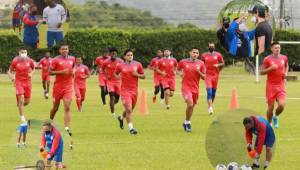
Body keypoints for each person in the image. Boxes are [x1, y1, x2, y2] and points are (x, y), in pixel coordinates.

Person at [115, 49, 145, 135]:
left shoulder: (138, 64)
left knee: (129, 110)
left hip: (134, 91)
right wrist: (118, 78)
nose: (130, 56)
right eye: (128, 55)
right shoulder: (120, 65)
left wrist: (137, 75)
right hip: (125, 91)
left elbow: (143, 76)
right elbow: (115, 74)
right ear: (124, 57)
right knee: (128, 109)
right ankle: (131, 129)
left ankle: (121, 117)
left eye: (131, 55)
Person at [260, 42, 288, 128]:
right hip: (271, 86)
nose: (277, 49)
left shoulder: (284, 58)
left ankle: (275, 116)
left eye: (279, 48)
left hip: (281, 85)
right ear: (272, 49)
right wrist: (271, 68)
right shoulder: (267, 59)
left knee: (282, 105)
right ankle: (269, 124)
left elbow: (286, 66)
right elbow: (261, 72)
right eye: (276, 48)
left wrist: (286, 74)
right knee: (270, 106)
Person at [49, 43, 75, 136]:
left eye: (66, 49)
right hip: (57, 87)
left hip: (68, 87)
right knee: (55, 108)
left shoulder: (72, 59)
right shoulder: (55, 60)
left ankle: (66, 128)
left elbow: (72, 68)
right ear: (60, 50)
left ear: (68, 50)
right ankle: (51, 121)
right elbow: (50, 72)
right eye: (63, 49)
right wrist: (62, 72)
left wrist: (73, 73)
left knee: (67, 107)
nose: (65, 50)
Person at [177, 48, 205, 132]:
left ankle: (186, 121)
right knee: (190, 103)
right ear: (190, 53)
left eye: (197, 53)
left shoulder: (201, 63)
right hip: (186, 87)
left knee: (192, 107)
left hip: (195, 88)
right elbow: (176, 70)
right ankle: (188, 123)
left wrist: (198, 71)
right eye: (194, 52)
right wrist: (180, 74)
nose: (195, 54)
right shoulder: (183, 62)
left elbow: (204, 77)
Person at [7, 47, 35, 123]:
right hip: (19, 82)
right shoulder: (15, 61)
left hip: (28, 83)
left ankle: (19, 104)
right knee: (22, 100)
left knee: (27, 102)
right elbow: (9, 71)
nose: (24, 54)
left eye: (25, 52)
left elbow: (34, 68)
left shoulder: (30, 60)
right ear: (19, 53)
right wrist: (13, 79)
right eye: (22, 52)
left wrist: (31, 73)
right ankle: (22, 117)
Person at [201, 42, 224, 115]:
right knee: (209, 92)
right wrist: (202, 73)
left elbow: (222, 63)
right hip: (207, 76)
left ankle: (210, 106)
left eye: (213, 46)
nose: (212, 47)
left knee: (213, 93)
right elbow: (201, 64)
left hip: (215, 76)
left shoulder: (218, 55)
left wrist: (218, 65)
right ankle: (210, 108)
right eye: (210, 46)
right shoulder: (204, 55)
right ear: (208, 47)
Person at [102, 48, 123, 118]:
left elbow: (124, 69)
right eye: (112, 53)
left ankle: (112, 105)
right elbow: (102, 69)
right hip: (110, 82)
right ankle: (113, 114)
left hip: (118, 82)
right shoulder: (106, 62)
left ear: (117, 54)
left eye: (115, 53)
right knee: (112, 97)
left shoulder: (120, 61)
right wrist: (106, 75)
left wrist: (121, 76)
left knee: (116, 99)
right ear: (110, 54)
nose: (113, 54)